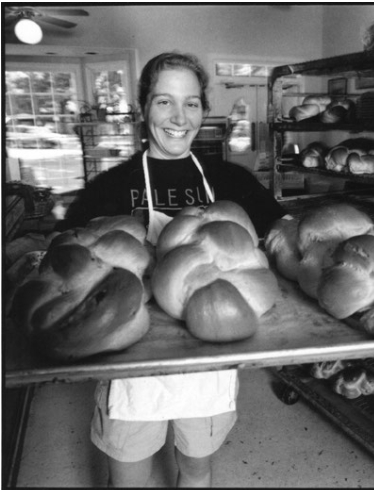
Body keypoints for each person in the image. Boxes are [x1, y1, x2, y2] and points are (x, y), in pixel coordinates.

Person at [58, 51, 287, 487]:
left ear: (204, 108)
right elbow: (63, 256)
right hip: (131, 368)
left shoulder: (231, 182)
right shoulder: (109, 187)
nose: (179, 117)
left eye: (192, 103)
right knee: (128, 479)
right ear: (143, 106)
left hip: (210, 357)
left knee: (197, 472)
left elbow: (285, 238)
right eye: (164, 101)